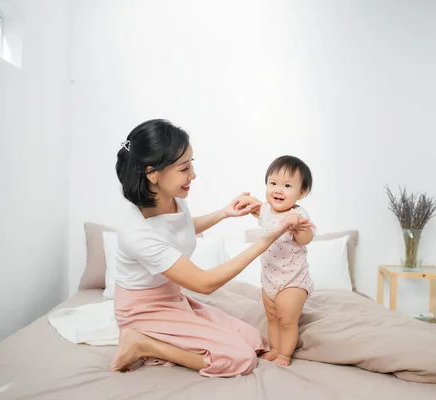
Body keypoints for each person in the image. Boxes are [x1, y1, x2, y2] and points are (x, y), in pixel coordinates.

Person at [111, 119, 311, 377]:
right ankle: (142, 343)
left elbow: (176, 229)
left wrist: (224, 213)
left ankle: (160, 338)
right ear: (153, 174)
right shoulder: (136, 233)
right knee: (240, 359)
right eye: (184, 168)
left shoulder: (169, 197)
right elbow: (204, 283)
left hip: (172, 298)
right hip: (144, 309)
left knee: (253, 340)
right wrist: (264, 240)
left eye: (192, 164)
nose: (192, 175)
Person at [252, 156, 316, 366]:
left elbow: (307, 238)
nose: (278, 190)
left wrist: (297, 227)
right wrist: (249, 205)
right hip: (269, 279)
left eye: (287, 185)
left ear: (301, 192)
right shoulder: (265, 209)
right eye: (273, 183)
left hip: (292, 281)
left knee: (287, 320)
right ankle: (275, 348)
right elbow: (258, 212)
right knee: (272, 317)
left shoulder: (299, 215)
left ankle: (284, 355)